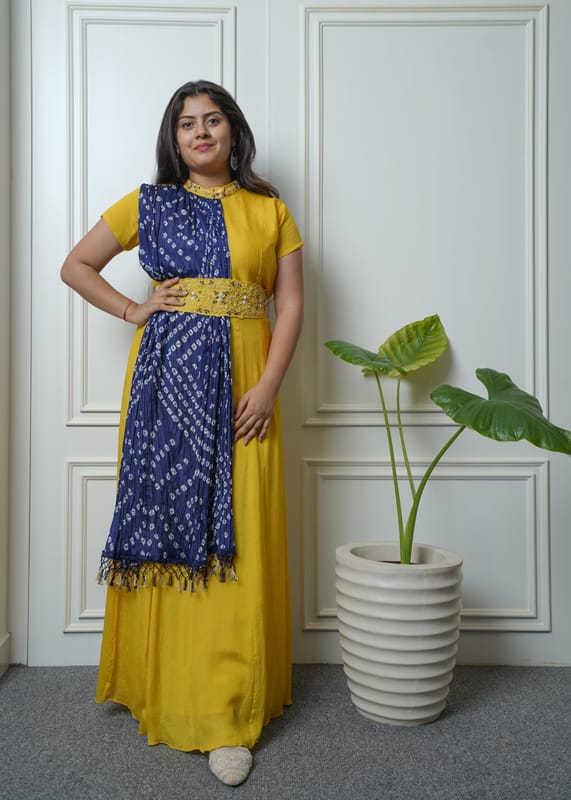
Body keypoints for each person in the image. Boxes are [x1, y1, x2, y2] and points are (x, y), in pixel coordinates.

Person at [60, 79, 303, 787]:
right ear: (173, 139)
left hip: (248, 387)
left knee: (241, 531)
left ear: (233, 131)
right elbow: (76, 265)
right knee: (172, 519)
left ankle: (229, 712)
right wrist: (132, 310)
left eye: (212, 120)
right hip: (167, 387)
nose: (200, 132)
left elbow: (290, 307)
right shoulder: (150, 203)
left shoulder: (270, 210)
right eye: (186, 123)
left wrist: (269, 386)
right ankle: (164, 688)